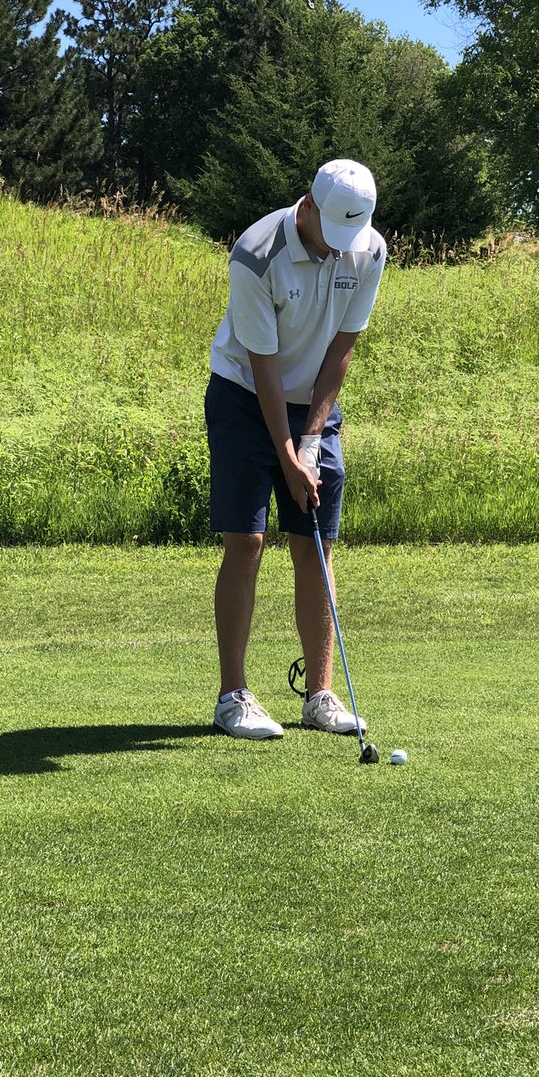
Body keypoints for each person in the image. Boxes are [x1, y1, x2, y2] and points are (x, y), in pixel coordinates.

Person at [206, 159, 387, 740]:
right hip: (243, 394)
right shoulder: (256, 253)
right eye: (330, 234)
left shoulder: (368, 249)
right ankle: (233, 696)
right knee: (248, 540)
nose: (339, 249)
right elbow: (263, 365)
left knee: (314, 543)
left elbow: (341, 350)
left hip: (314, 403)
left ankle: (320, 694)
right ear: (306, 206)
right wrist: (285, 456)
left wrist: (309, 440)